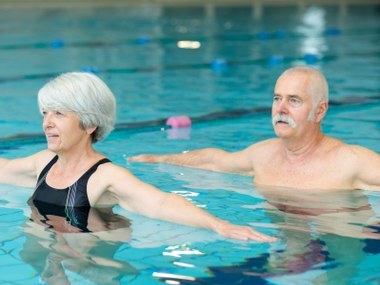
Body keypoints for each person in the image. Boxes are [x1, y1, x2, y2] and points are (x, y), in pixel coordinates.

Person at [0, 71, 275, 242]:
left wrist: (220, 225)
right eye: (45, 113)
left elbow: (161, 203)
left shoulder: (105, 176)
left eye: (59, 113)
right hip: (45, 255)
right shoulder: (43, 162)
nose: (47, 122)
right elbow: (4, 168)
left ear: (89, 123)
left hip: (88, 265)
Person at [129, 66, 380, 191]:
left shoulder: (350, 161)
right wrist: (160, 159)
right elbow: (215, 161)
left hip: (339, 247)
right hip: (283, 245)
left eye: (294, 100)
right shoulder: (263, 155)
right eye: (276, 98)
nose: (280, 109)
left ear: (320, 111)